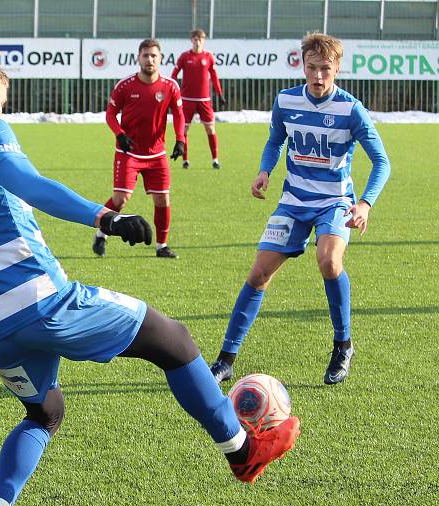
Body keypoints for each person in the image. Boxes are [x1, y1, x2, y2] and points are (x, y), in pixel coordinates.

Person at [0, 50, 301, 506]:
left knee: (44, 414)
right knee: (174, 339)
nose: (2, 113)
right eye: (1, 102)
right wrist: (103, 217)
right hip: (41, 299)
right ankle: (243, 452)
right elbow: (30, 185)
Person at [210, 33, 390, 386]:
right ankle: (226, 359)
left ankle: (343, 345)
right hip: (293, 202)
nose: (318, 76)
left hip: (334, 203)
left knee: (329, 260)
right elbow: (276, 139)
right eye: (312, 67)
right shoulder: (286, 100)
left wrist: (365, 203)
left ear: (337, 67)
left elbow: (381, 161)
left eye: (326, 68)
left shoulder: (351, 109)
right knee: (259, 272)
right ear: (302, 65)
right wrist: (265, 170)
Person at [92, 38, 186, 259]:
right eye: (146, 55)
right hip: (129, 153)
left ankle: (162, 246)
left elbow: (180, 115)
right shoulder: (125, 86)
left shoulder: (170, 86)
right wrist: (120, 134)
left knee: (163, 199)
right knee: (120, 199)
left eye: (154, 55)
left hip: (157, 154)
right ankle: (101, 233)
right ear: (138, 58)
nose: (150, 60)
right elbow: (110, 114)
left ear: (160, 58)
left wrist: (180, 139)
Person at [171, 29, 224, 170]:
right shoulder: (184, 56)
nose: (197, 41)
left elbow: (214, 76)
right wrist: (171, 90)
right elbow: (174, 74)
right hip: (187, 99)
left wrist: (219, 93)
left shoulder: (208, 57)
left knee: (210, 129)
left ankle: (215, 160)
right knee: (184, 129)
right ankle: (185, 160)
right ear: (191, 40)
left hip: (204, 100)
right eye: (195, 39)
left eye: (200, 39)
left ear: (203, 40)